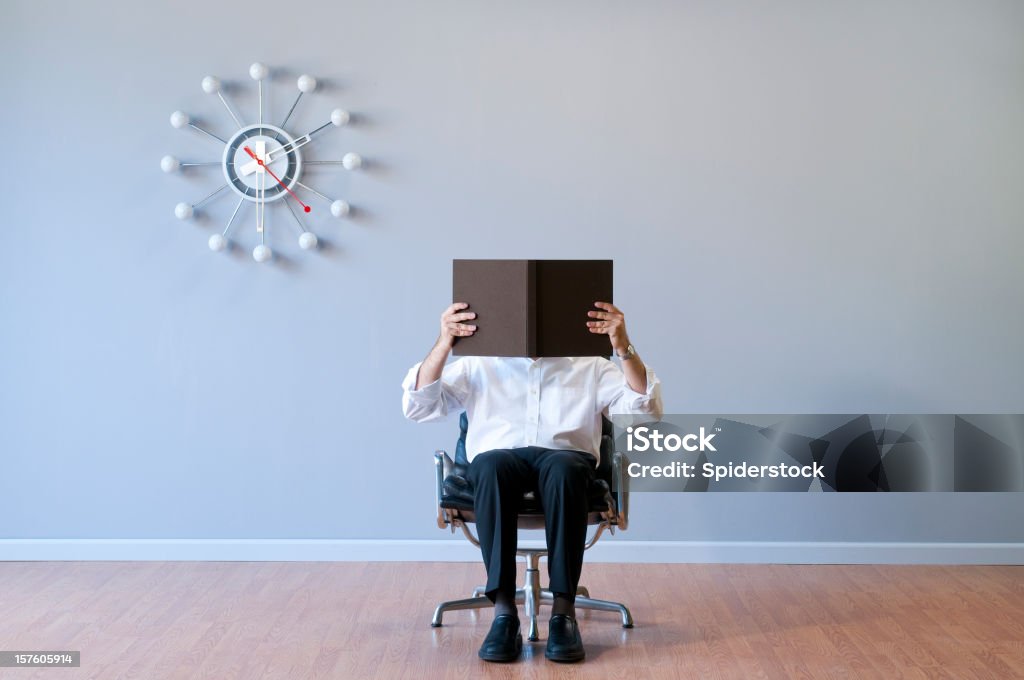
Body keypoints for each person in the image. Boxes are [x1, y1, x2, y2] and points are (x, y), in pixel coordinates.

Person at [401, 300, 663, 663]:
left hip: (566, 460)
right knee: (491, 464)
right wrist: (444, 342)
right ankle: (504, 614)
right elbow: (418, 407)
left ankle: (563, 614)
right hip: (498, 461)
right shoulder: (481, 362)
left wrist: (623, 347)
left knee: (564, 469)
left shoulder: (589, 364)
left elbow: (646, 411)